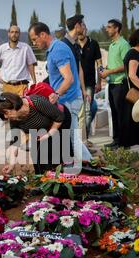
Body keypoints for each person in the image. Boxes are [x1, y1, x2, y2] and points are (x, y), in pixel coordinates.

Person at [28, 22, 92, 162]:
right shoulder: (55, 49)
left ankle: (94, 167)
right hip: (66, 100)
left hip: (68, 100)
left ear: (43, 35)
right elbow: (56, 77)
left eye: (34, 39)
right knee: (70, 138)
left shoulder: (58, 50)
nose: (34, 43)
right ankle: (89, 164)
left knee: (72, 139)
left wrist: (56, 94)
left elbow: (68, 78)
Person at [0, 92, 72, 175]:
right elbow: (15, 142)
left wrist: (48, 134)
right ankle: (41, 179)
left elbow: (59, 117)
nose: (6, 117)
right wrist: (11, 164)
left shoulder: (37, 101)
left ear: (14, 105)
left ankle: (61, 177)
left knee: (50, 152)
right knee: (36, 154)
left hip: (59, 121)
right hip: (42, 129)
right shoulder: (14, 118)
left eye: (6, 112)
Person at [100, 19, 132, 149]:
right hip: (112, 84)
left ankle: (125, 143)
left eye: (109, 27)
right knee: (114, 113)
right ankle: (116, 140)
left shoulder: (123, 44)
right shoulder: (112, 45)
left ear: (117, 29)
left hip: (121, 84)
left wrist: (109, 71)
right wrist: (105, 69)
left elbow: (126, 65)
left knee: (122, 114)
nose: (107, 29)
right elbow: (115, 63)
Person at [63, 15, 89, 140]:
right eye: (83, 24)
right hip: (66, 94)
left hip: (76, 92)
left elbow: (79, 69)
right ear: (77, 26)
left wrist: (83, 90)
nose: (84, 27)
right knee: (69, 127)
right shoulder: (63, 45)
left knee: (78, 123)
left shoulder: (76, 45)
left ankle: (80, 150)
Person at [0, 25, 37, 96]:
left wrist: (34, 82)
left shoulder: (26, 48)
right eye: (12, 32)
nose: (14, 34)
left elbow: (30, 65)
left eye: (16, 32)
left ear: (19, 34)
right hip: (7, 86)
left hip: (22, 86)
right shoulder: (2, 48)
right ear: (8, 34)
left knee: (23, 106)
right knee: (8, 107)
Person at [77, 24, 103, 140]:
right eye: (79, 31)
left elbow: (100, 65)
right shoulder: (73, 45)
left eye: (83, 30)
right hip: (75, 85)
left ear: (86, 30)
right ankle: (77, 139)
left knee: (87, 112)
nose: (81, 33)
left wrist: (99, 81)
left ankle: (84, 138)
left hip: (89, 84)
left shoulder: (94, 44)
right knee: (78, 112)